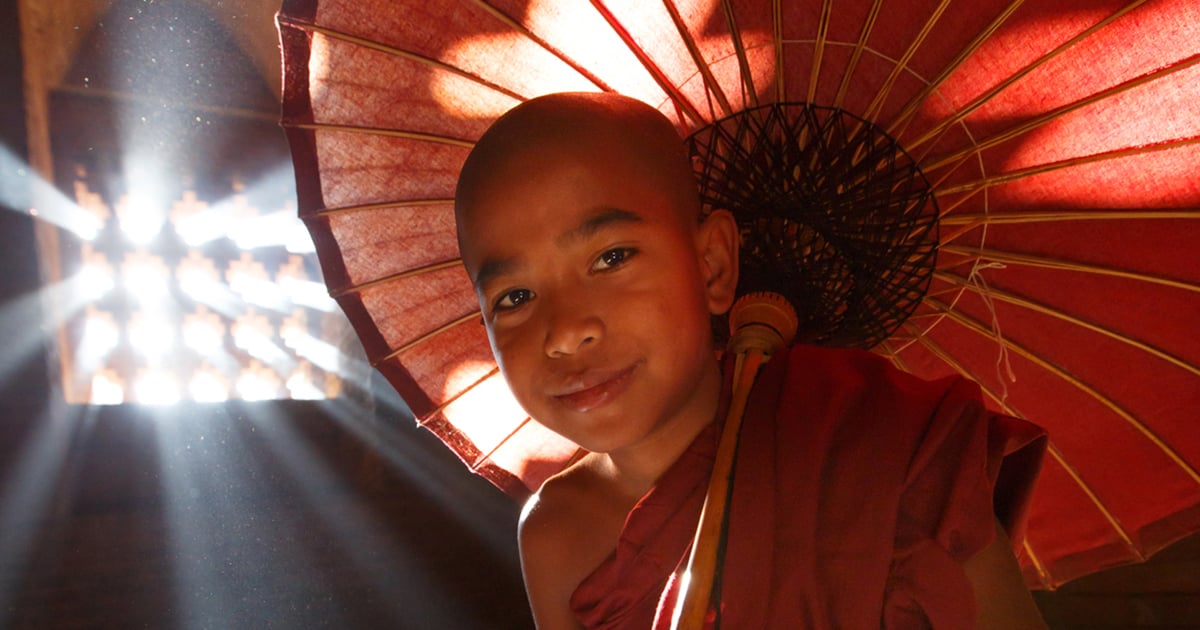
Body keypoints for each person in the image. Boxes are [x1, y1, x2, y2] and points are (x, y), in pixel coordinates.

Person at [454, 92, 1048, 629]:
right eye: (515, 298)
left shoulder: (880, 444)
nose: (564, 331)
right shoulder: (556, 534)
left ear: (711, 265)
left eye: (611, 258)